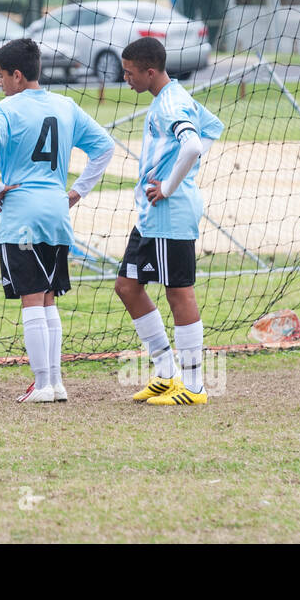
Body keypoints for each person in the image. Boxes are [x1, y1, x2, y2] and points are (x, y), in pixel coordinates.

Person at [0, 38, 115, 403]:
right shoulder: (65, 105)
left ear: (18, 75)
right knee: (49, 299)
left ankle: (42, 384)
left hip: (22, 214)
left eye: (2, 75)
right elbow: (105, 147)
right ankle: (55, 383)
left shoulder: (5, 110)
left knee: (32, 300)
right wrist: (77, 191)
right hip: (56, 211)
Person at [115, 37, 223, 407]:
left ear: (149, 71)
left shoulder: (172, 103)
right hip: (151, 215)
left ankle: (193, 387)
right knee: (127, 286)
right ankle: (166, 373)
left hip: (168, 212)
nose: (124, 78)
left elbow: (192, 144)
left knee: (179, 292)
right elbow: (211, 129)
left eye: (129, 73)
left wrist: (171, 185)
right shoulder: (172, 97)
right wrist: (173, 173)